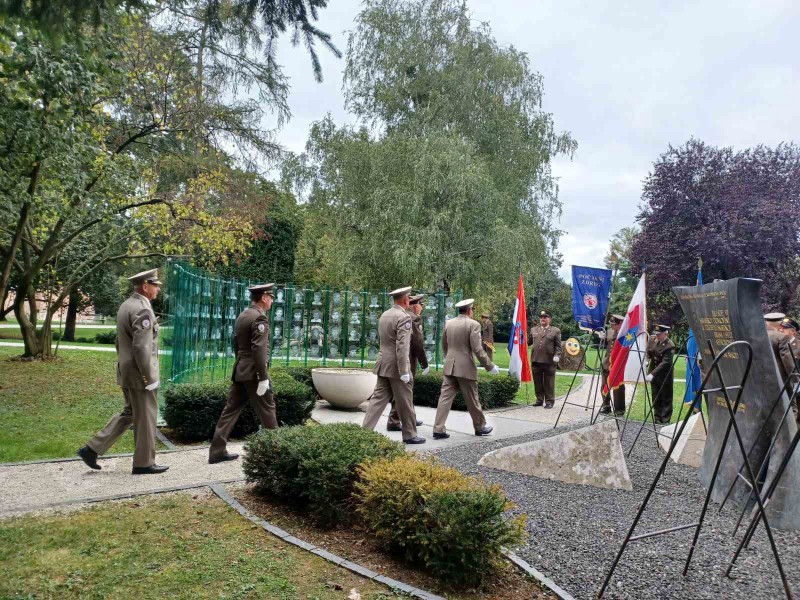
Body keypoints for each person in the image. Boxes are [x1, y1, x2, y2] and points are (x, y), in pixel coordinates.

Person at [77, 269, 168, 475]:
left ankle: (91, 449)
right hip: (140, 373)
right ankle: (144, 463)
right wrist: (149, 377)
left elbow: (120, 342)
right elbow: (141, 347)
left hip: (127, 370)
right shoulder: (143, 309)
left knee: (130, 413)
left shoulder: (127, 305)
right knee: (146, 416)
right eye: (155, 285)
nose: (158, 288)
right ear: (145, 286)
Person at [208, 283, 279, 464]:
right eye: (271, 297)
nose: (272, 300)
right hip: (254, 373)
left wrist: (242, 363)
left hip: (240, 369)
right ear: (263, 297)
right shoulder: (260, 318)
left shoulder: (243, 315)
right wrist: (263, 377)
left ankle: (217, 451)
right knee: (268, 409)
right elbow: (259, 349)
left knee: (230, 410)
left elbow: (236, 344)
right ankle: (277, 453)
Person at [362, 287, 425, 444]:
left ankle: (363, 431)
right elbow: (402, 346)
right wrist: (404, 370)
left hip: (383, 363)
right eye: (409, 298)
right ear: (406, 300)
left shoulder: (385, 314)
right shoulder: (403, 317)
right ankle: (410, 434)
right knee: (405, 400)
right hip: (397, 366)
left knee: (377, 400)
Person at [432, 299, 500, 439]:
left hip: (450, 366)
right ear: (469, 310)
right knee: (472, 399)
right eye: (472, 309)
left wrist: (449, 357)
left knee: (444, 399)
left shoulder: (449, 323)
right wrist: (490, 365)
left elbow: (444, 344)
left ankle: (438, 429)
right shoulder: (473, 324)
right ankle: (480, 427)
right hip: (465, 368)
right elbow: (477, 349)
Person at [386, 293, 427, 432]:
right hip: (407, 359)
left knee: (402, 390)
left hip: (394, 358)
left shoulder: (399, 314)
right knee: (405, 390)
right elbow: (417, 343)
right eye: (421, 305)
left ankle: (407, 417)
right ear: (415, 305)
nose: (422, 308)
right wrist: (424, 363)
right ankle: (395, 420)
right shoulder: (413, 318)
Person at [529, 310, 562, 408]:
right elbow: (528, 342)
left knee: (549, 382)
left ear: (550, 319)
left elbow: (558, 346)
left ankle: (549, 401)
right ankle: (539, 400)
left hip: (549, 360)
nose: (542, 319)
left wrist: (557, 355)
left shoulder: (555, 330)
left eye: (545, 317)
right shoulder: (534, 329)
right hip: (536, 359)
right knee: (537, 382)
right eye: (541, 317)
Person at [646, 324, 675, 425]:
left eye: (659, 334)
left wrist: (652, 374)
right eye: (656, 334)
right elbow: (650, 352)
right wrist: (647, 360)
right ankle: (657, 417)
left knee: (666, 397)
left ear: (665, 333)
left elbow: (665, 362)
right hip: (654, 373)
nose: (657, 336)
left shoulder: (669, 345)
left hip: (664, 375)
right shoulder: (653, 340)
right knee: (656, 396)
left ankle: (665, 419)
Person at [599, 314, 626, 416]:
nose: (611, 326)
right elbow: (605, 343)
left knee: (618, 388)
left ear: (620, 324)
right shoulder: (610, 332)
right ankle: (606, 406)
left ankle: (619, 409)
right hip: (607, 363)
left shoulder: (625, 335)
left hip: (618, 365)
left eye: (614, 324)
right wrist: (601, 338)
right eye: (610, 324)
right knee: (604, 385)